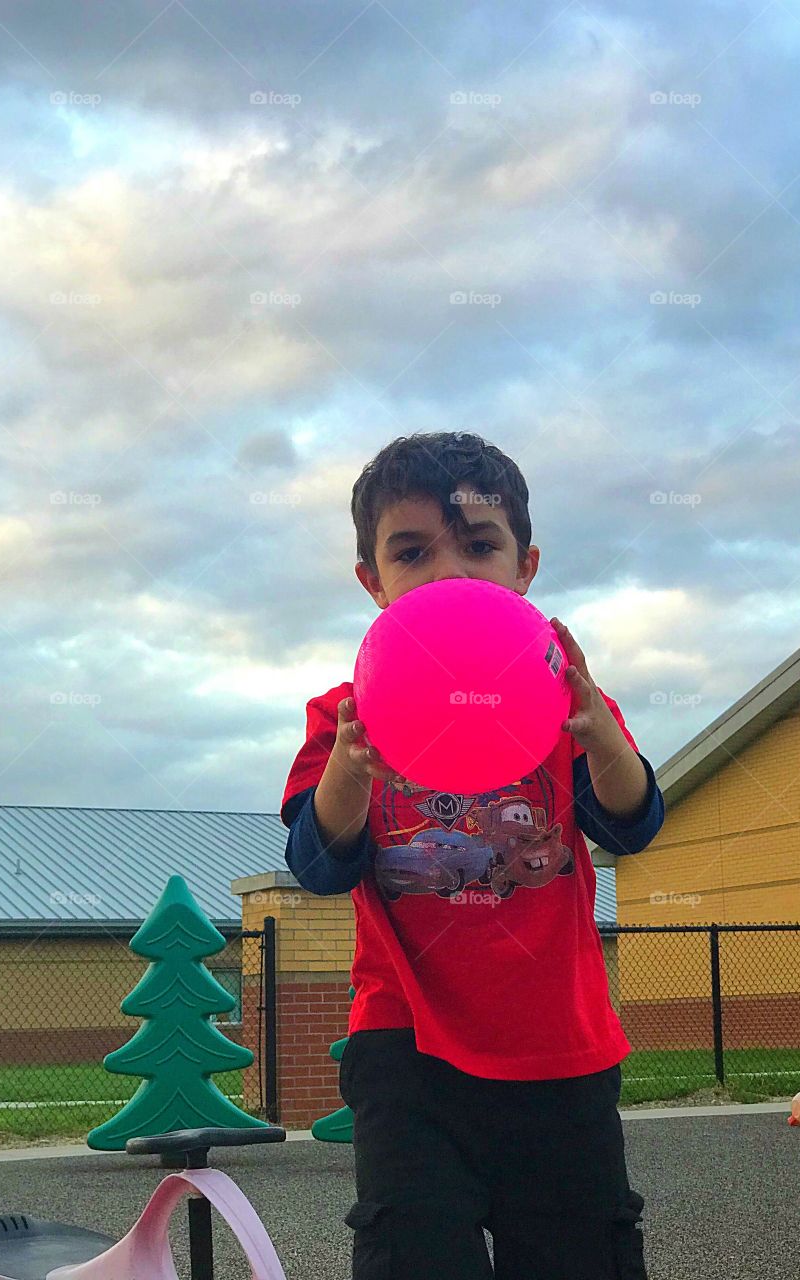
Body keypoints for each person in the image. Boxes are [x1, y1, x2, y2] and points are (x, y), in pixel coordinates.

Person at [280, 431, 664, 1278]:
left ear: (525, 567)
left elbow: (632, 824)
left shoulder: (565, 699)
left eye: (480, 546)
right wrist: (350, 768)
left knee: (581, 1253)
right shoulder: (344, 713)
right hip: (409, 1051)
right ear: (372, 582)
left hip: (561, 1049)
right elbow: (318, 863)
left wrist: (601, 739)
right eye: (413, 551)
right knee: (413, 1253)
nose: (450, 571)